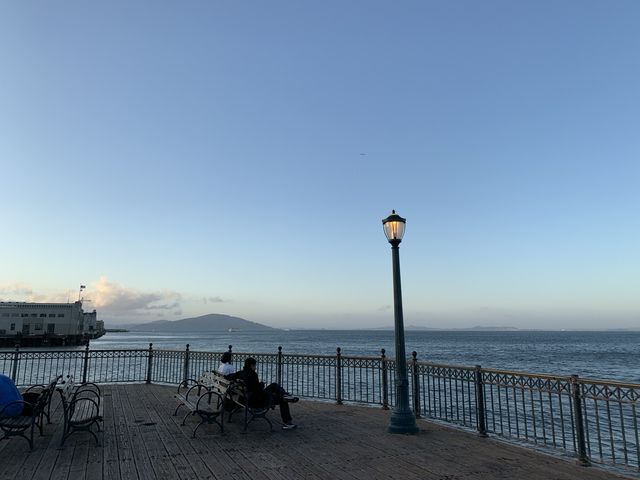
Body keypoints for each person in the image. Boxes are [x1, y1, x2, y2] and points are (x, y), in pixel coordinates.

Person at [235, 357, 299, 430]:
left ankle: (284, 394)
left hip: (247, 398)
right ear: (251, 365)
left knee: (274, 385)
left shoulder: (241, 373)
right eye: (255, 366)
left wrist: (224, 376)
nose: (255, 367)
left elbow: (252, 387)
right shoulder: (253, 375)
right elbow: (258, 391)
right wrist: (262, 385)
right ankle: (287, 422)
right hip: (257, 401)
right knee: (282, 400)